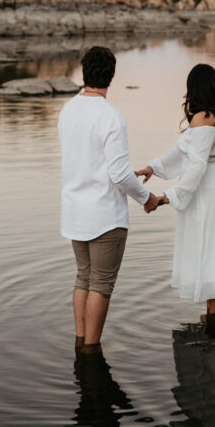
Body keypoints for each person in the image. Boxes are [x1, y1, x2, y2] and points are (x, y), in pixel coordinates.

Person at [58, 46, 162, 352]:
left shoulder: (67, 110)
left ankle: (80, 343)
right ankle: (91, 351)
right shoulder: (111, 118)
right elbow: (118, 175)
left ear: (83, 72)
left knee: (83, 278)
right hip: (104, 217)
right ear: (112, 76)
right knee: (101, 284)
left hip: (74, 212)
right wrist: (147, 197)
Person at [136, 63, 215, 339]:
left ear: (194, 88)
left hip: (207, 193)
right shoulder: (212, 115)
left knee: (211, 255)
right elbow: (181, 152)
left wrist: (165, 198)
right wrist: (153, 168)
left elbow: (195, 169)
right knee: (214, 255)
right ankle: (214, 324)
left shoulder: (201, 119)